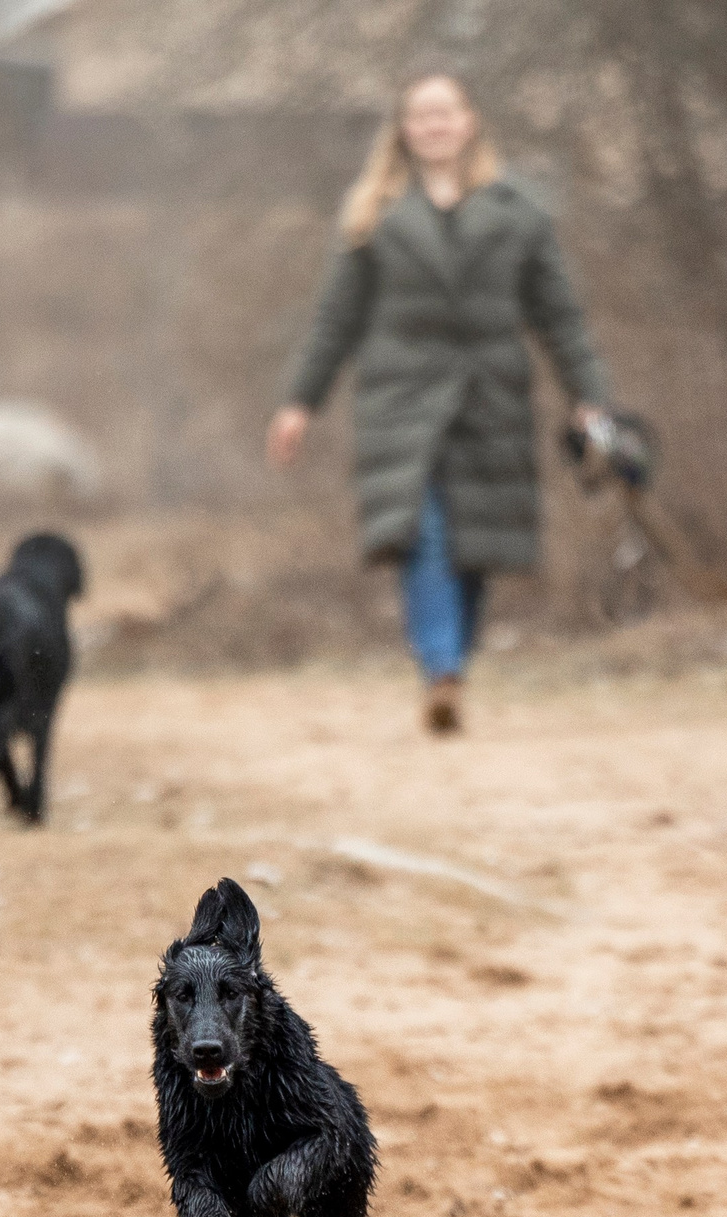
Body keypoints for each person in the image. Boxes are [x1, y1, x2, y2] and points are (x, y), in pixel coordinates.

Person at [267, 72, 612, 735]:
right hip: (399, 399)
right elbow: (336, 319)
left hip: (492, 398)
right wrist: (298, 403)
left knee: (475, 547)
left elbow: (561, 318)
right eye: (421, 115)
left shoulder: (520, 211)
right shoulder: (371, 214)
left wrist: (590, 399)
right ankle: (442, 670)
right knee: (420, 532)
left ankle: (450, 665)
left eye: (445, 112)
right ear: (404, 129)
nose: (434, 125)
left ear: (469, 121)